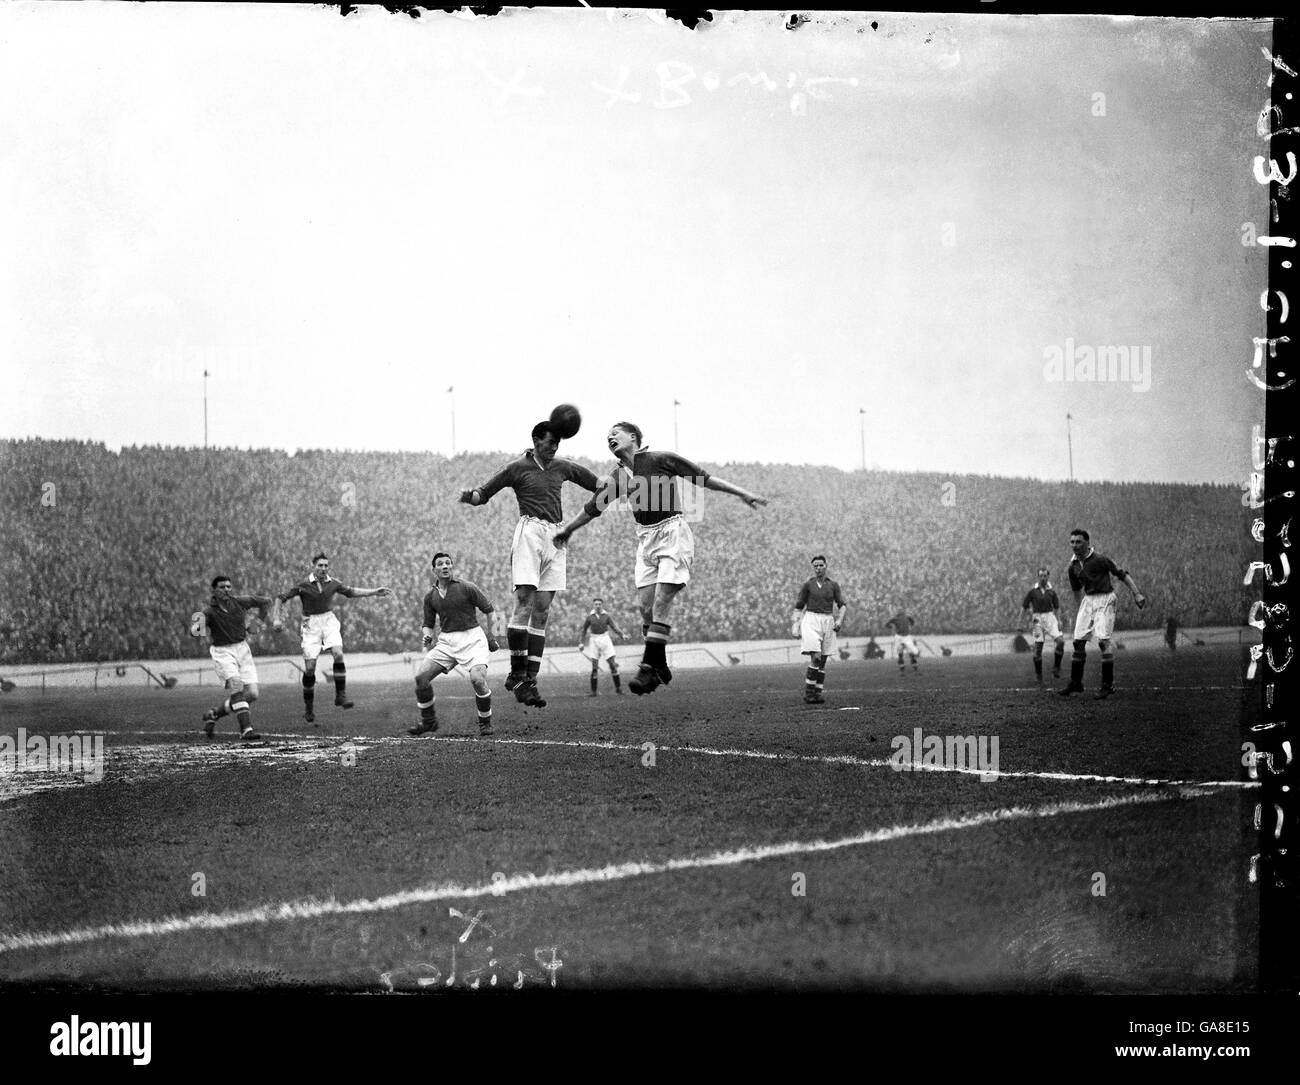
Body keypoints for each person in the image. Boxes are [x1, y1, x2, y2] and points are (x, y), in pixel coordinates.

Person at [553, 421, 767, 695]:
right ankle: (661, 664)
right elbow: (592, 509)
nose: (610, 437)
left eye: (615, 433)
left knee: (663, 601)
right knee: (645, 608)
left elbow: (706, 478)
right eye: (607, 436)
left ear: (633, 437)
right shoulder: (617, 477)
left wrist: (743, 493)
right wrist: (569, 529)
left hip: (672, 532)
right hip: (645, 540)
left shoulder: (660, 460)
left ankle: (648, 668)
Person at [459, 422, 601, 708]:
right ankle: (517, 673)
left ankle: (529, 680)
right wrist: (469, 497)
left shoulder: (563, 466)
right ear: (536, 440)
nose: (554, 448)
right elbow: (483, 494)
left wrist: (617, 482)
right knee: (524, 602)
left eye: (557, 444)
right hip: (530, 532)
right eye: (550, 443)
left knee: (543, 610)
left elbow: (597, 484)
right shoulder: (517, 467)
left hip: (557, 536)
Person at [272, 553, 392, 723]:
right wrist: (277, 618)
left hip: (328, 620)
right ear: (313, 566)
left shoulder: (333, 583)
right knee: (310, 668)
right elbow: (280, 598)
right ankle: (309, 708)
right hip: (310, 625)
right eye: (320, 565)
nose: (323, 568)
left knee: (338, 654)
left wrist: (374, 592)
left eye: (326, 566)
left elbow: (351, 592)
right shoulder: (303, 585)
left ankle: (340, 696)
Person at [408, 552, 500, 737]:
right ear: (434, 570)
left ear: (452, 567)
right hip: (447, 641)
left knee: (477, 679)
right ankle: (429, 722)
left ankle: (485, 723)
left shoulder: (467, 587)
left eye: (448, 563)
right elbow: (427, 624)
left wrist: (492, 637)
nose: (445, 566)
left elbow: (490, 611)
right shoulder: (430, 596)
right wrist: (427, 636)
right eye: (440, 564)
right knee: (421, 678)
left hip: (473, 639)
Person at [1058, 528, 1146, 699]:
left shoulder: (1100, 559)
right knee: (1077, 642)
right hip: (1088, 601)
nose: (1075, 545)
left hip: (1105, 599)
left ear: (1087, 543)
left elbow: (1122, 574)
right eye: (1072, 542)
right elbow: (1077, 590)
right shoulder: (1073, 566)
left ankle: (1108, 685)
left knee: (1103, 641)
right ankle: (1076, 683)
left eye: (1078, 542)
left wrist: (1137, 593)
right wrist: (1079, 611)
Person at [201, 576, 273, 742]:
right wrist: (196, 628)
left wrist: (257, 623)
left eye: (228, 586)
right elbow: (195, 630)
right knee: (236, 685)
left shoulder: (240, 602)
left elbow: (266, 602)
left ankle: (214, 714)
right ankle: (246, 729)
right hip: (222, 652)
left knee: (253, 694)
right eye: (222, 587)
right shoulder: (208, 612)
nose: (226, 589)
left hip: (242, 649)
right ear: (214, 590)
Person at [790, 555, 847, 704]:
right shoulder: (808, 585)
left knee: (822, 661)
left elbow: (842, 605)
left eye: (821, 565)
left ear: (826, 566)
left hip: (828, 620)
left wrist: (840, 620)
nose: (818, 568)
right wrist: (795, 625)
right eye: (815, 566)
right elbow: (799, 606)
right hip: (811, 619)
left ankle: (817, 693)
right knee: (815, 657)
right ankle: (809, 694)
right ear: (813, 568)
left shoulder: (833, 585)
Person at [1020, 566, 1065, 684]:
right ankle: (1039, 675)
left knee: (1060, 642)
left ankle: (1056, 667)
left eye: (1045, 575)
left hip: (1050, 617)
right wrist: (1020, 622)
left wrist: (1059, 620)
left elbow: (1057, 607)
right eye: (1041, 576)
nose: (1043, 578)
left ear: (1048, 576)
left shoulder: (1052, 591)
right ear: (1038, 577)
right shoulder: (1032, 591)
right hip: (1037, 619)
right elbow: (1024, 607)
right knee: (1038, 649)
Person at [579, 597, 626, 695]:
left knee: (612, 664)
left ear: (602, 605)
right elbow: (584, 630)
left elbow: (614, 627)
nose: (598, 606)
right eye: (596, 604)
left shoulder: (606, 616)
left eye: (599, 604)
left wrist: (622, 635)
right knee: (595, 666)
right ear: (593, 605)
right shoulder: (590, 617)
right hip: (594, 640)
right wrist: (581, 642)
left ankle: (618, 689)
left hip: (605, 639)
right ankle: (594, 692)